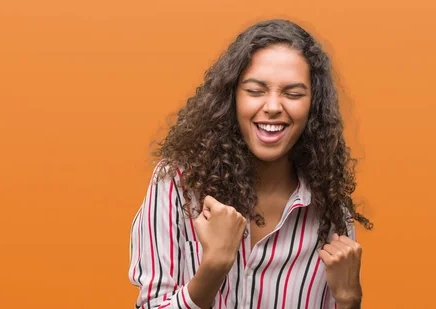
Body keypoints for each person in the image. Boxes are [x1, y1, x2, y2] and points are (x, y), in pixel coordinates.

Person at [128, 19, 373, 309]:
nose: (272, 106)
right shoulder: (178, 185)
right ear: (231, 98)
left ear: (313, 107)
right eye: (255, 91)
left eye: (293, 94)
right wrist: (214, 267)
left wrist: (349, 300)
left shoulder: (332, 214)